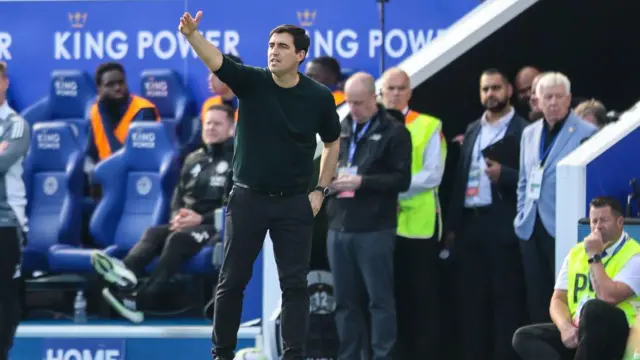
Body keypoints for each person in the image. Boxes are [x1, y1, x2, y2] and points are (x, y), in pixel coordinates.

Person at [179, 11, 341, 360]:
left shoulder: (319, 97)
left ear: (300, 56)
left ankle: (293, 355)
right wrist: (193, 35)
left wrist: (320, 191)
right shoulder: (251, 81)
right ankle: (221, 354)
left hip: (295, 203)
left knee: (295, 286)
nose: (274, 51)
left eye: (283, 47)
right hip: (248, 199)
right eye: (270, 45)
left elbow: (332, 143)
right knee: (232, 281)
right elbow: (217, 60)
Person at [90, 104, 235, 323]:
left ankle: (142, 300)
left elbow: (235, 205)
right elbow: (178, 196)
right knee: (154, 233)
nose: (211, 128)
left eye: (217, 124)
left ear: (231, 129)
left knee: (178, 239)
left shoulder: (237, 160)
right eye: (208, 123)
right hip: (187, 222)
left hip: (214, 227)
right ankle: (123, 275)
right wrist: (177, 217)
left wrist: (200, 219)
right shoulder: (193, 158)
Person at [325, 72, 412, 360]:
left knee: (380, 301)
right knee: (344, 302)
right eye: (349, 102)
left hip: (375, 228)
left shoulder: (395, 131)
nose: (353, 108)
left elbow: (401, 179)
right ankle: (349, 355)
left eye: (359, 103)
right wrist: (328, 180)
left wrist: (363, 182)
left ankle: (382, 355)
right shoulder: (340, 128)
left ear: (375, 98)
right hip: (340, 226)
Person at [445, 69, 528, 360]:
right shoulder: (472, 129)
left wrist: (504, 175)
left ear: (508, 90)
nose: (490, 94)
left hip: (502, 223)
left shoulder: (524, 129)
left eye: (495, 88)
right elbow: (459, 179)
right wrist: (453, 227)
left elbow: (533, 180)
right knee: (471, 300)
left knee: (505, 300)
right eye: (485, 89)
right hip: (470, 224)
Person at [513, 196, 640, 360]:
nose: (597, 227)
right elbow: (558, 299)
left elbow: (608, 296)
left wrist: (594, 255)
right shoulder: (576, 252)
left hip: (617, 333)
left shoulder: (635, 256)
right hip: (580, 331)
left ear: (620, 222)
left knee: (594, 308)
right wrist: (565, 327)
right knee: (524, 337)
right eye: (594, 221)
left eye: (604, 220)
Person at [515, 72, 597, 324]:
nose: (553, 102)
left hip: (564, 226)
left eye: (558, 96)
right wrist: (520, 215)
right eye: (547, 97)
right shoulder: (529, 133)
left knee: (564, 295)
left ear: (569, 98)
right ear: (537, 101)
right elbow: (523, 180)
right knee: (535, 295)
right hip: (530, 225)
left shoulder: (587, 132)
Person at [379, 67, 445, 360]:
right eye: (389, 89)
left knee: (422, 301)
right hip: (380, 225)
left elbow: (432, 175)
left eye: (400, 88)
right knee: (388, 299)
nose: (394, 94)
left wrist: (391, 190)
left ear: (410, 92)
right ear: (380, 93)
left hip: (419, 227)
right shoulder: (369, 124)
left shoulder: (429, 124)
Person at [0, 61, 30, 360]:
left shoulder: (15, 124)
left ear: (5, 82)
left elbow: (3, 163)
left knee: (4, 296)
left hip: (6, 223)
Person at [88, 62, 160, 164]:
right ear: (99, 90)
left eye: (121, 82)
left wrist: (104, 114)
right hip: (105, 172)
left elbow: (124, 161)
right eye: (110, 85)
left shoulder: (143, 111)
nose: (117, 88)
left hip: (135, 173)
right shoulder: (96, 111)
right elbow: (89, 153)